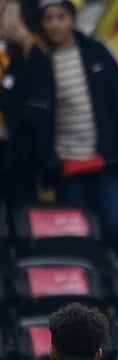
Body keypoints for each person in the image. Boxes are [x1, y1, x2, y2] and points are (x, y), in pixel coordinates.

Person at [39, 0, 118, 248]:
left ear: (73, 20)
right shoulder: (40, 62)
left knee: (110, 223)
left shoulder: (97, 51)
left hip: (104, 156)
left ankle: (115, 273)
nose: (55, 24)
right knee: (76, 227)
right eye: (49, 18)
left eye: (61, 17)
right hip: (67, 160)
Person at [0, 0, 54, 216]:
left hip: (18, 141)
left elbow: (42, 80)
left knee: (20, 204)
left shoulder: (33, 48)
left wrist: (25, 40)